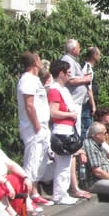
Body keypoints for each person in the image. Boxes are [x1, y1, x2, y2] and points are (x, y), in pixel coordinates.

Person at [16, 51, 53, 207]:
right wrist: (37, 126)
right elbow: (29, 105)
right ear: (35, 62)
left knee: (40, 161)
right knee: (31, 161)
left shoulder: (34, 80)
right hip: (33, 127)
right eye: (38, 59)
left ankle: (35, 193)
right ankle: (26, 198)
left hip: (41, 125)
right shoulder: (27, 80)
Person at [48, 60, 88, 204]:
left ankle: (62, 193)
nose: (70, 76)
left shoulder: (62, 89)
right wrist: (70, 115)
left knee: (65, 164)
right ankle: (59, 195)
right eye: (68, 73)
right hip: (61, 130)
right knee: (62, 165)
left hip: (68, 129)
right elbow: (53, 112)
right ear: (61, 73)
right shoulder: (55, 89)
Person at [61, 39, 92, 135]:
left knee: (77, 127)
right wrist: (85, 80)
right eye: (78, 47)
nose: (80, 49)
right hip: (73, 100)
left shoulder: (73, 61)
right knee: (74, 128)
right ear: (73, 49)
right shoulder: (67, 60)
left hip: (77, 101)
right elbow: (70, 80)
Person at [81, 46, 101, 138]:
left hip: (87, 104)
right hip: (86, 104)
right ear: (94, 55)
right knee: (86, 128)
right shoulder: (87, 68)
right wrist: (93, 106)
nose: (100, 57)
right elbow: (89, 89)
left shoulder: (89, 68)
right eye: (99, 54)